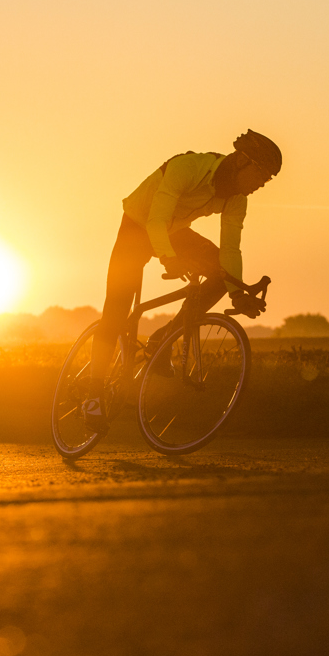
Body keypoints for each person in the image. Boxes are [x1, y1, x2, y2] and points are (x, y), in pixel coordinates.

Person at [83, 129, 282, 433]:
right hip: (138, 225)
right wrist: (169, 258)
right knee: (117, 308)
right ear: (242, 161)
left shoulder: (236, 199)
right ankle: (93, 395)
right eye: (261, 175)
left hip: (174, 231)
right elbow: (156, 220)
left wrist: (237, 294)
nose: (262, 184)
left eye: (267, 180)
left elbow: (230, 250)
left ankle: (163, 339)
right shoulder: (187, 168)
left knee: (221, 272)